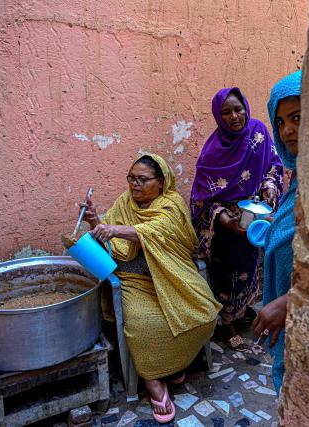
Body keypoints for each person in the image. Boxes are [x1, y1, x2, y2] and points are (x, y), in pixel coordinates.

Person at [81, 154, 222, 423]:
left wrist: (114, 230)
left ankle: (174, 364)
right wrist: (96, 223)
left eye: (142, 179)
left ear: (161, 182)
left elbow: (155, 230)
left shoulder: (172, 205)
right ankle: (154, 381)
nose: (134, 184)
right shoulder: (124, 203)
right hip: (136, 281)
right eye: (131, 178)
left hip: (172, 275)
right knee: (143, 325)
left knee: (203, 315)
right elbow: (110, 239)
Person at [190, 87, 283, 349]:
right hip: (226, 226)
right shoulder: (213, 151)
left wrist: (267, 193)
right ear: (219, 117)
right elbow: (201, 198)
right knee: (228, 271)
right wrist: (226, 221)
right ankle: (226, 322)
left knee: (252, 263)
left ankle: (241, 311)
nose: (234, 116)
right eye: (226, 112)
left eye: (238, 109)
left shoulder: (258, 133)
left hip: (255, 216)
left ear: (246, 107)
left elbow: (273, 166)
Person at [252, 70, 302, 395]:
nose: (287, 131)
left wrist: (291, 302)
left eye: (297, 117)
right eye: (281, 122)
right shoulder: (300, 175)